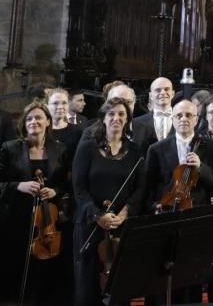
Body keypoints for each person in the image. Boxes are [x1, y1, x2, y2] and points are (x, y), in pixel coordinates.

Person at [0, 101, 71, 305]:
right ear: (23, 123)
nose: (34, 121)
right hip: (13, 220)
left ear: (47, 121)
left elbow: (66, 184)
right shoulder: (9, 148)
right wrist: (18, 186)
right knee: (12, 271)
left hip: (46, 221)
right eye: (29, 118)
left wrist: (55, 190)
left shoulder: (60, 150)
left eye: (38, 117)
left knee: (44, 275)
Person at [72, 98, 145, 306]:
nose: (116, 118)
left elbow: (141, 188)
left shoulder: (135, 151)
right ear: (103, 118)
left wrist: (124, 213)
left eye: (121, 114)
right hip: (89, 224)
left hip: (122, 227)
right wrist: (97, 215)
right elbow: (78, 188)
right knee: (87, 284)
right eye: (111, 114)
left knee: (118, 286)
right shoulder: (87, 147)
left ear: (127, 120)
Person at [144, 97, 213, 211]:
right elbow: (148, 185)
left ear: (196, 120)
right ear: (172, 119)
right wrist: (154, 206)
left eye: (189, 115)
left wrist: (201, 167)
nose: (183, 119)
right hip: (167, 209)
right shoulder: (156, 149)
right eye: (179, 116)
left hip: (199, 210)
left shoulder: (212, 147)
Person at [134, 76, 176, 151]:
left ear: (173, 93)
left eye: (166, 89)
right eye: (158, 90)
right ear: (151, 95)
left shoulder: (183, 119)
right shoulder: (137, 123)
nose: (163, 92)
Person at [47, 88, 83, 157]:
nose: (60, 107)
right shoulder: (42, 130)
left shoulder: (78, 132)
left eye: (64, 103)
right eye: (55, 103)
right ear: (47, 106)